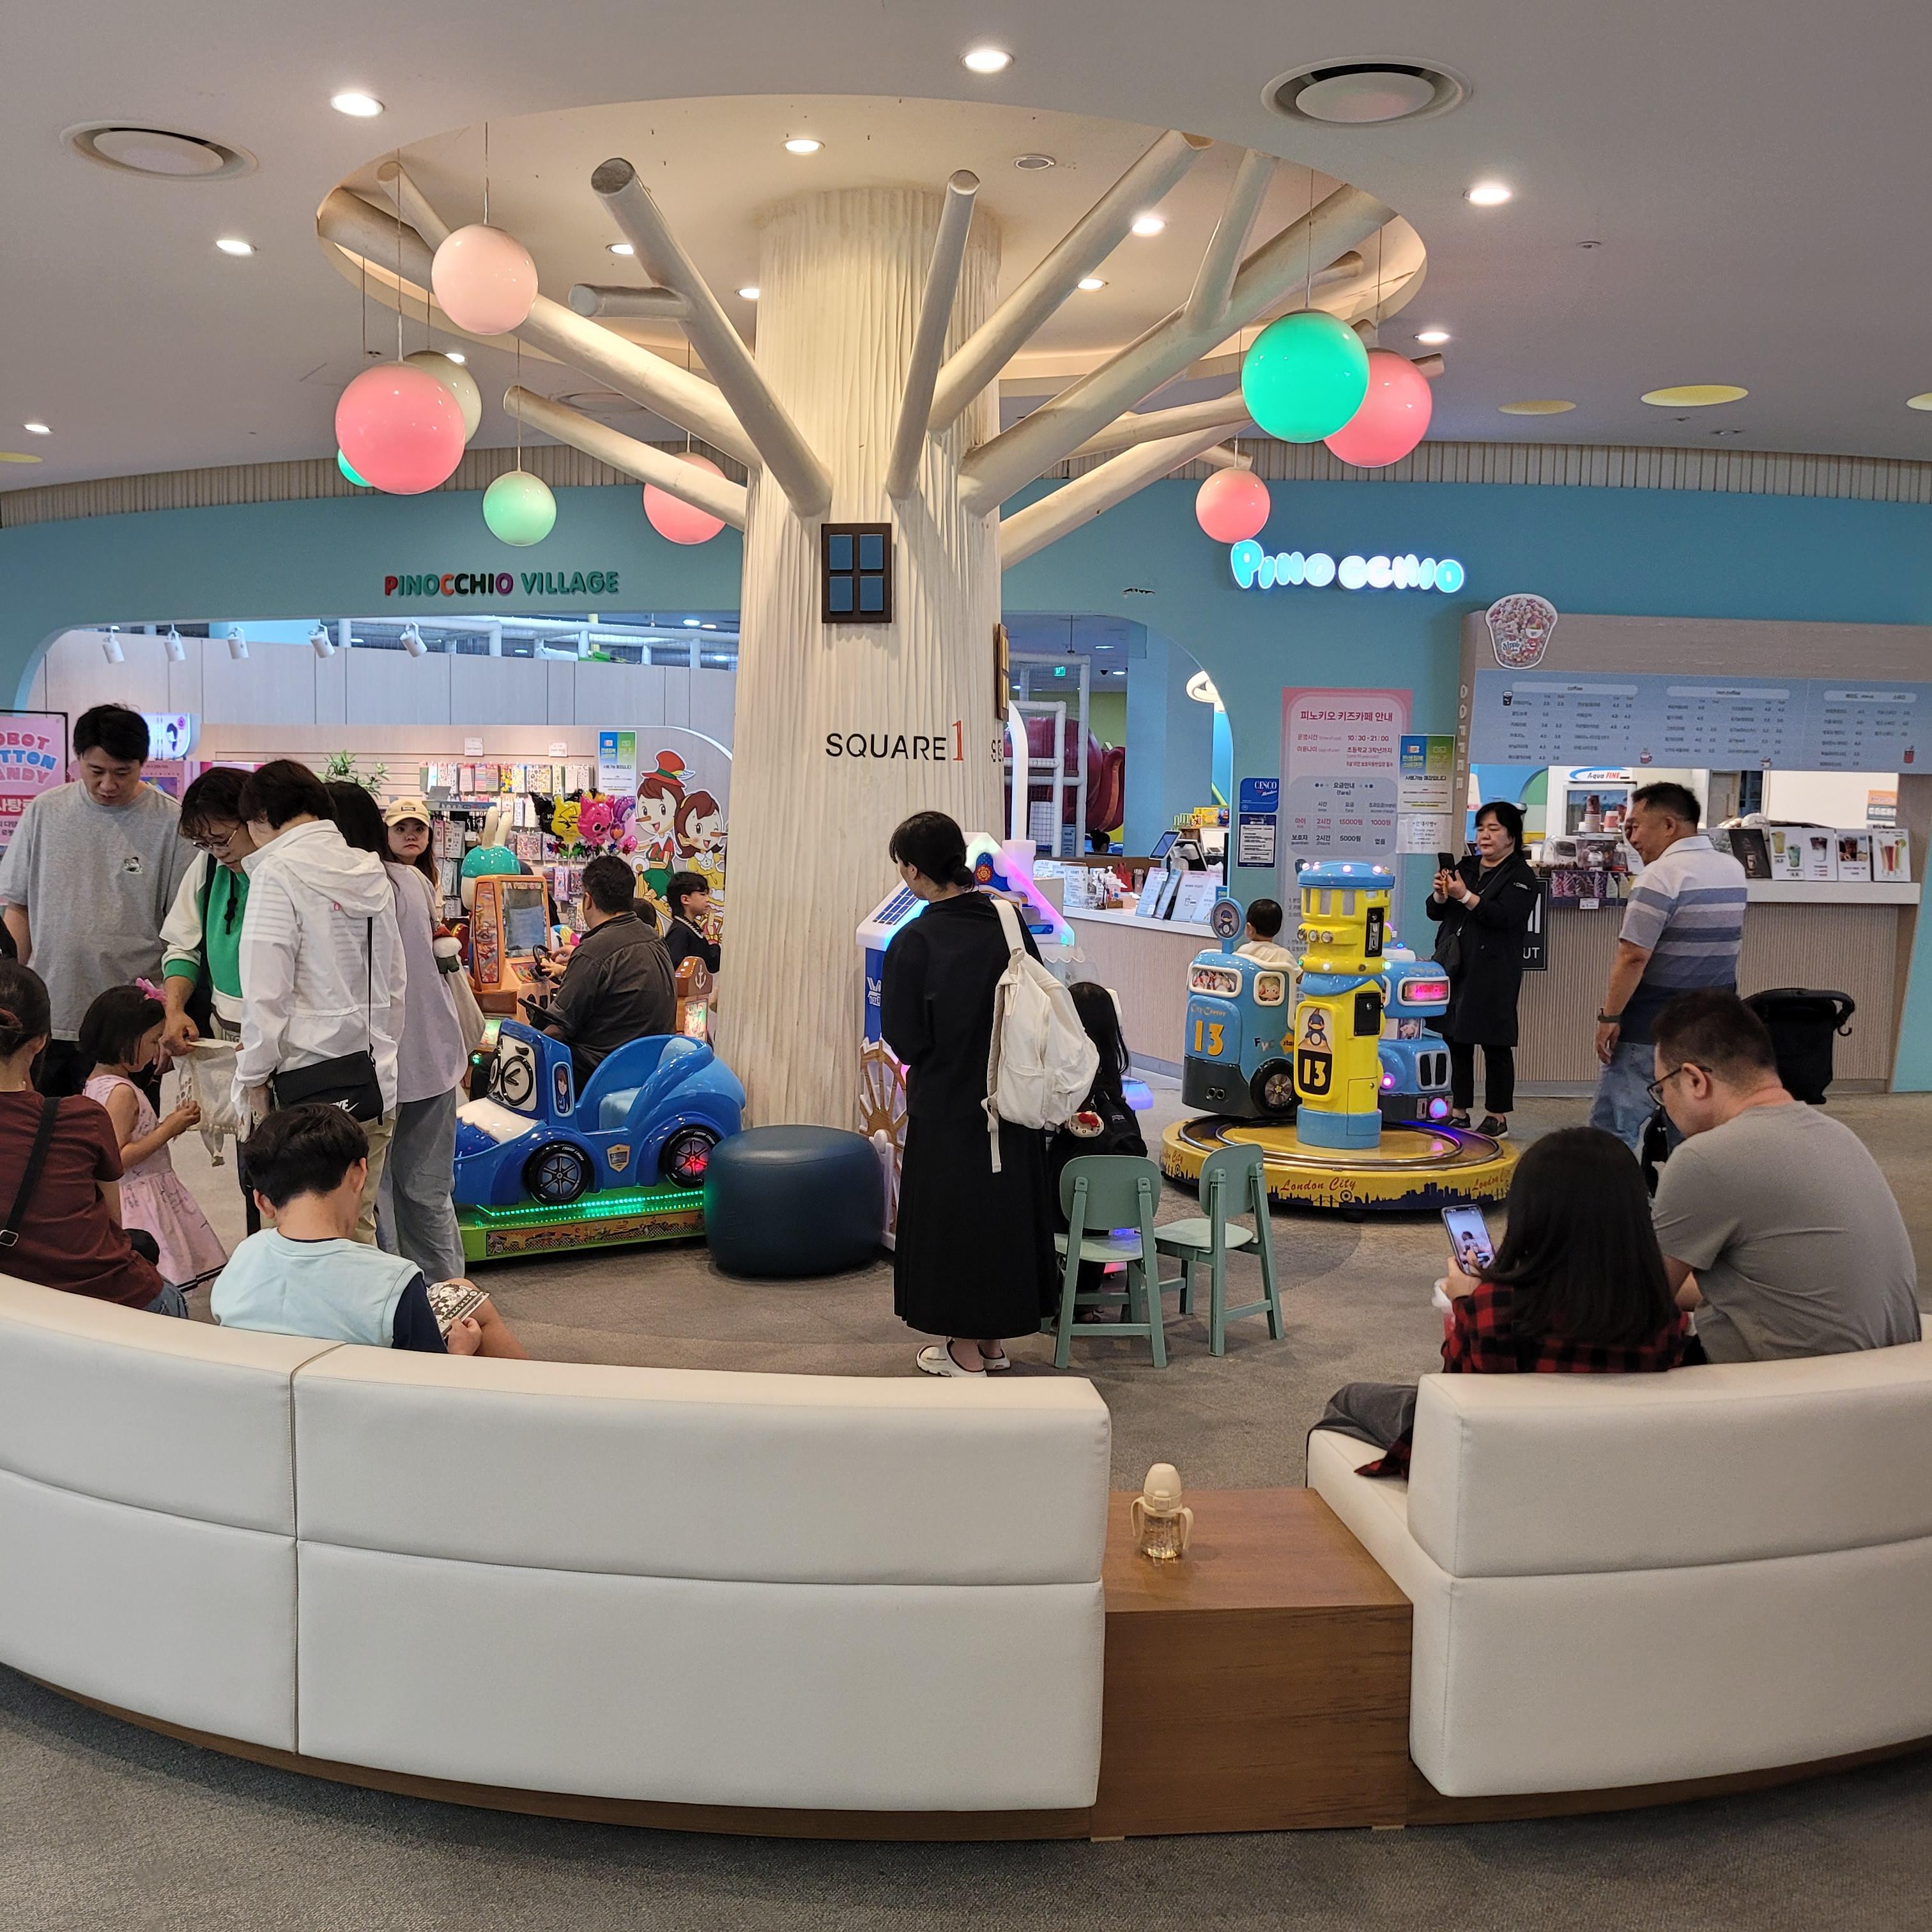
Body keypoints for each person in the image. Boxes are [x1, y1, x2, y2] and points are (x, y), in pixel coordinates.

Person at [1314, 1126, 1687, 1476]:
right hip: (1609, 1464)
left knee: (1348, 1401)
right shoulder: (1662, 1312)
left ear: (1531, 1215)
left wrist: (1464, 1302)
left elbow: (1455, 1401)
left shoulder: (1494, 1308)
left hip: (1500, 1462)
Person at [1648, 990, 1920, 1363]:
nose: (1664, 1104)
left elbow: (1639, 1300)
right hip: (1887, 1377)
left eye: (1662, 1089)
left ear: (1695, 1081)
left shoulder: (1705, 1159)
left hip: (1787, 1387)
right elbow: (1771, 1285)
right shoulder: (1838, 1135)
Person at [881, 809, 1055, 1378]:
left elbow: (906, 1039)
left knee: (954, 1222)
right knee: (1002, 1216)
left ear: (914, 870)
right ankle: (993, 1343)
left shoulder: (914, 941)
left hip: (950, 1108)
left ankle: (962, 1351)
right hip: (1014, 1099)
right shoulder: (1007, 920)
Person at [234, 760, 405, 1245]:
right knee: (357, 1223)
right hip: (372, 1081)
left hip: (304, 1088)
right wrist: (384, 1054)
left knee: (301, 1233)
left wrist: (251, 1078)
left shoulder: (277, 874)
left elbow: (265, 994)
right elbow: (395, 985)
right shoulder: (370, 872)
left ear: (263, 817)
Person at [213, 1103, 526, 1358]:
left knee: (460, 1289)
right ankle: (541, 1399)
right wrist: (460, 1355)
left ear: (263, 1203)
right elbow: (430, 1391)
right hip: (374, 1409)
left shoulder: (242, 1261)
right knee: (472, 1309)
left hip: (278, 1400)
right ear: (358, 1175)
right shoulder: (394, 1282)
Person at [0, 703, 194, 1096]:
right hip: (52, 1012)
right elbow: (18, 907)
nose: (108, 784)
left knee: (124, 1129)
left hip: (130, 1026)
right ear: (78, 759)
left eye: (122, 773)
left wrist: (170, 1013)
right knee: (43, 1125)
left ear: (142, 763)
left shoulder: (170, 823)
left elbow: (183, 932)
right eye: (96, 771)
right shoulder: (45, 811)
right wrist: (11, 994)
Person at [330, 784, 469, 1284]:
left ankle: (400, 1298)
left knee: (376, 1194)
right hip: (433, 1055)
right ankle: (450, 1295)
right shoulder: (411, 881)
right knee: (427, 1189)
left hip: (372, 1068)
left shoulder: (338, 889)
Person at [0, 962, 179, 1314]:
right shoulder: (79, 1118)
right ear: (41, 1041)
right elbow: (112, 1226)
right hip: (104, 1301)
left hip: (18, 1309)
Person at [1591, 781, 1747, 1151]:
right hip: (1712, 1024)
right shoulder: (1732, 870)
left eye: (1636, 827)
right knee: (1693, 1128)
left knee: (1613, 1129)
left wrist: (1610, 1017)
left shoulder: (1660, 876)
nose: (1632, 839)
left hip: (1652, 1025)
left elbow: (1634, 956)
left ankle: (1615, 1191)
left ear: (1669, 825)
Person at [77, 985, 226, 1291]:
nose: (157, 1049)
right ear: (125, 1041)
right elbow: (117, 1158)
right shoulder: (121, 1093)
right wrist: (169, 1128)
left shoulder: (96, 1083)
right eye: (152, 1041)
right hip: (140, 1200)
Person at [1426, 801, 1542, 1136]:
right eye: (1480, 829)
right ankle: (1459, 1110)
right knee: (1455, 1037)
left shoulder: (1521, 876)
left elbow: (1504, 917)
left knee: (1495, 1042)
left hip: (1494, 969)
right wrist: (1441, 895)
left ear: (1511, 836)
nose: (1484, 836)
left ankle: (1497, 1116)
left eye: (1493, 829)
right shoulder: (1465, 867)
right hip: (1456, 964)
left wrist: (1464, 896)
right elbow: (1435, 913)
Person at [537, 853, 676, 1086]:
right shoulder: (653, 938)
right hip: (647, 1070)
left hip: (598, 1073)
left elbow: (557, 1029)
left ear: (588, 900)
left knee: (494, 1063)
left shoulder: (594, 951)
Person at [663, 870, 721, 976]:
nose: (708, 900)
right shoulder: (679, 932)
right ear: (685, 899)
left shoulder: (691, 927)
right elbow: (676, 972)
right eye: (702, 894)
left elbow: (710, 963)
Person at [383, 794, 440, 891]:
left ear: (429, 836)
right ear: (386, 834)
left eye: (419, 829)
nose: (411, 837)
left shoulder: (432, 874)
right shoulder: (379, 876)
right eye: (401, 829)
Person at [1236, 899, 1297, 969]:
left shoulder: (1243, 952)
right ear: (1278, 928)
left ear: (1250, 929)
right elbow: (1299, 974)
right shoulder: (1285, 955)